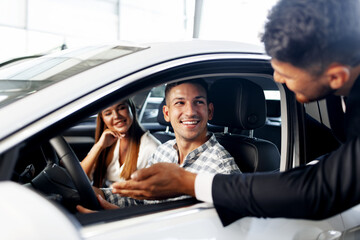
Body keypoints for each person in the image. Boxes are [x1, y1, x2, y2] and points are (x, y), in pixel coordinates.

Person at [110, 0, 360, 226]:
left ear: (336, 77)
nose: (276, 79)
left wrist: (187, 182)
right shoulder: (163, 150)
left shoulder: (220, 162)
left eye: (286, 74)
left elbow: (318, 190)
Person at [77, 79, 241, 212]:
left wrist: (119, 219)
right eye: (180, 103)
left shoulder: (223, 170)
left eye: (198, 102)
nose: (190, 111)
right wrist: (100, 196)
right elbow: (141, 199)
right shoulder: (163, 151)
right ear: (167, 113)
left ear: (209, 111)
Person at [80, 98, 160, 187]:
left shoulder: (151, 147)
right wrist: (99, 146)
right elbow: (80, 178)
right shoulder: (106, 141)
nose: (116, 116)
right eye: (108, 113)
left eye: (121, 108)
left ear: (131, 109)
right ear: (103, 119)